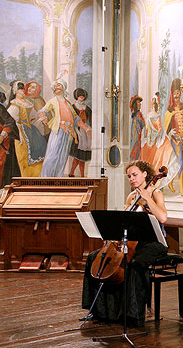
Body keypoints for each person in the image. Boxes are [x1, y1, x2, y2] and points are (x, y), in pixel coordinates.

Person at [82, 160, 169, 326]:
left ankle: (133, 315)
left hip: (154, 242)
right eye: (129, 176)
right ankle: (100, 311)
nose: (131, 178)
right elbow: (123, 221)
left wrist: (147, 200)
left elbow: (163, 218)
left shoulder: (156, 193)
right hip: (132, 242)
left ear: (145, 174)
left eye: (135, 174)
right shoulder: (131, 197)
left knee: (136, 264)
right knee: (94, 257)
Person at [38, 79, 90, 177]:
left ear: (64, 87)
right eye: (55, 86)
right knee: (52, 155)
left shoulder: (68, 104)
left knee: (62, 157)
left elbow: (76, 119)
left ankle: (57, 178)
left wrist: (86, 128)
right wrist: (43, 116)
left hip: (68, 133)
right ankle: (45, 177)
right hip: (58, 130)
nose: (56, 87)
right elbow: (44, 110)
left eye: (59, 85)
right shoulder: (53, 101)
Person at [6, 80, 47, 177]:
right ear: (15, 91)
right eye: (20, 90)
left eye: (23, 89)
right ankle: (26, 177)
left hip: (32, 130)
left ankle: (37, 177)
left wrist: (41, 118)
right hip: (20, 132)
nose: (22, 91)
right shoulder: (14, 104)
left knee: (40, 149)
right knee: (23, 156)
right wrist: (18, 129)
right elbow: (10, 120)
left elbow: (34, 116)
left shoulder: (27, 103)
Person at [69, 88, 92, 177]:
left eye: (82, 95)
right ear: (76, 96)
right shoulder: (72, 107)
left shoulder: (87, 109)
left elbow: (91, 120)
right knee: (78, 155)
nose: (81, 97)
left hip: (85, 132)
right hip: (76, 131)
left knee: (80, 156)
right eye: (79, 95)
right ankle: (77, 174)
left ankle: (74, 173)